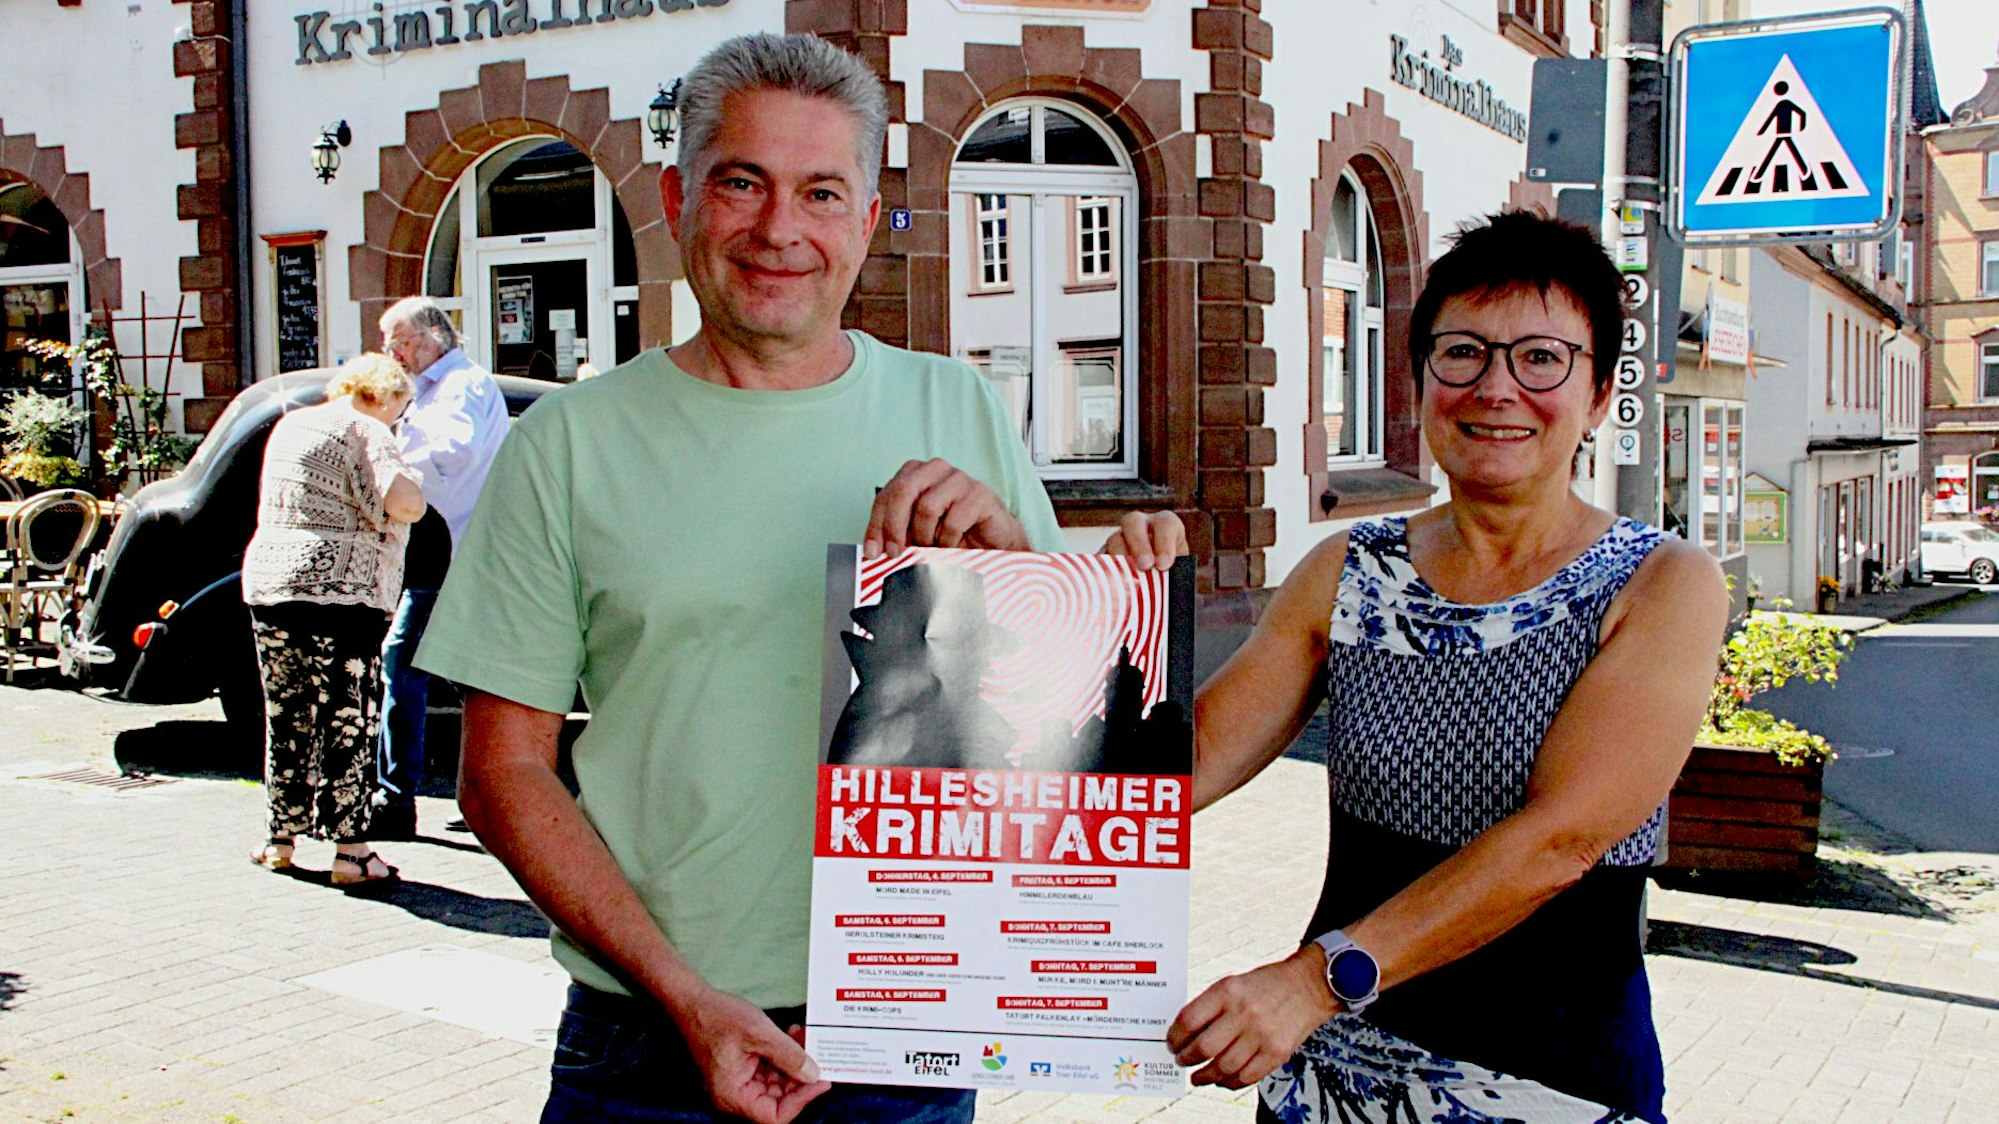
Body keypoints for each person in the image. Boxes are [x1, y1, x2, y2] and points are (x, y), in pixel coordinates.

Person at [412, 32, 1184, 1124]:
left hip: (903, 1018)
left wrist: (1040, 576)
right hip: (646, 1038)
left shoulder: (956, 405)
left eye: (822, 192)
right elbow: (500, 777)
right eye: (743, 182)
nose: (780, 230)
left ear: (866, 220)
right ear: (678, 196)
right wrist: (687, 997)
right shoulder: (569, 444)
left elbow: (1049, 750)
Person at [1156, 211, 1728, 1123]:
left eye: (1540, 358)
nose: (1495, 388)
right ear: (1419, 381)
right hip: (1336, 1081)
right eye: (1461, 353)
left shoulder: (1659, 584)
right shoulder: (1350, 569)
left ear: (1597, 394)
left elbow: (1562, 841)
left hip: (1549, 1083)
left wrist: (1313, 983)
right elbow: (1173, 773)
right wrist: (1106, 611)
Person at [243, 353, 426, 889]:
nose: (401, 416)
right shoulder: (367, 429)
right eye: (403, 406)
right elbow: (404, 503)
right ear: (385, 394)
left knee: (288, 713)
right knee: (349, 715)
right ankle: (351, 851)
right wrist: (411, 475)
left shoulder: (290, 424)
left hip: (273, 584)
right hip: (343, 590)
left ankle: (280, 837)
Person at [371, 296, 509, 839]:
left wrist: (390, 470)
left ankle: (395, 801)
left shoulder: (460, 387)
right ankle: (488, 794)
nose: (393, 353)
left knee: (401, 668)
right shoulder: (434, 389)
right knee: (464, 679)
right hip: (446, 549)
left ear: (432, 337)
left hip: (450, 550)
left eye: (399, 341)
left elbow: (455, 451)